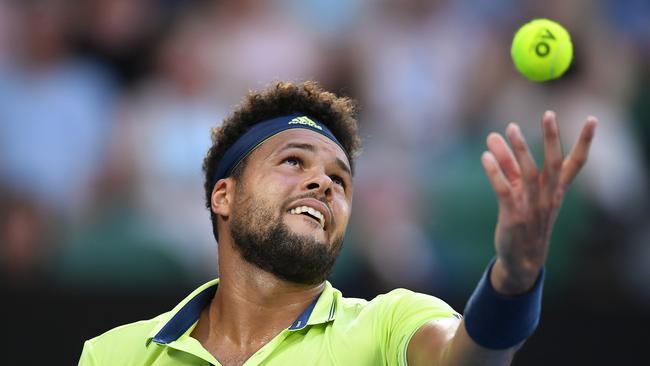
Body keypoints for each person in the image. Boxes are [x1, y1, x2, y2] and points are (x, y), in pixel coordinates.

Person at [78, 81, 597, 366]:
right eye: (293, 162)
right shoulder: (113, 355)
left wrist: (516, 273)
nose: (324, 185)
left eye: (340, 180)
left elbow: (473, 358)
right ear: (224, 195)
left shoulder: (391, 321)